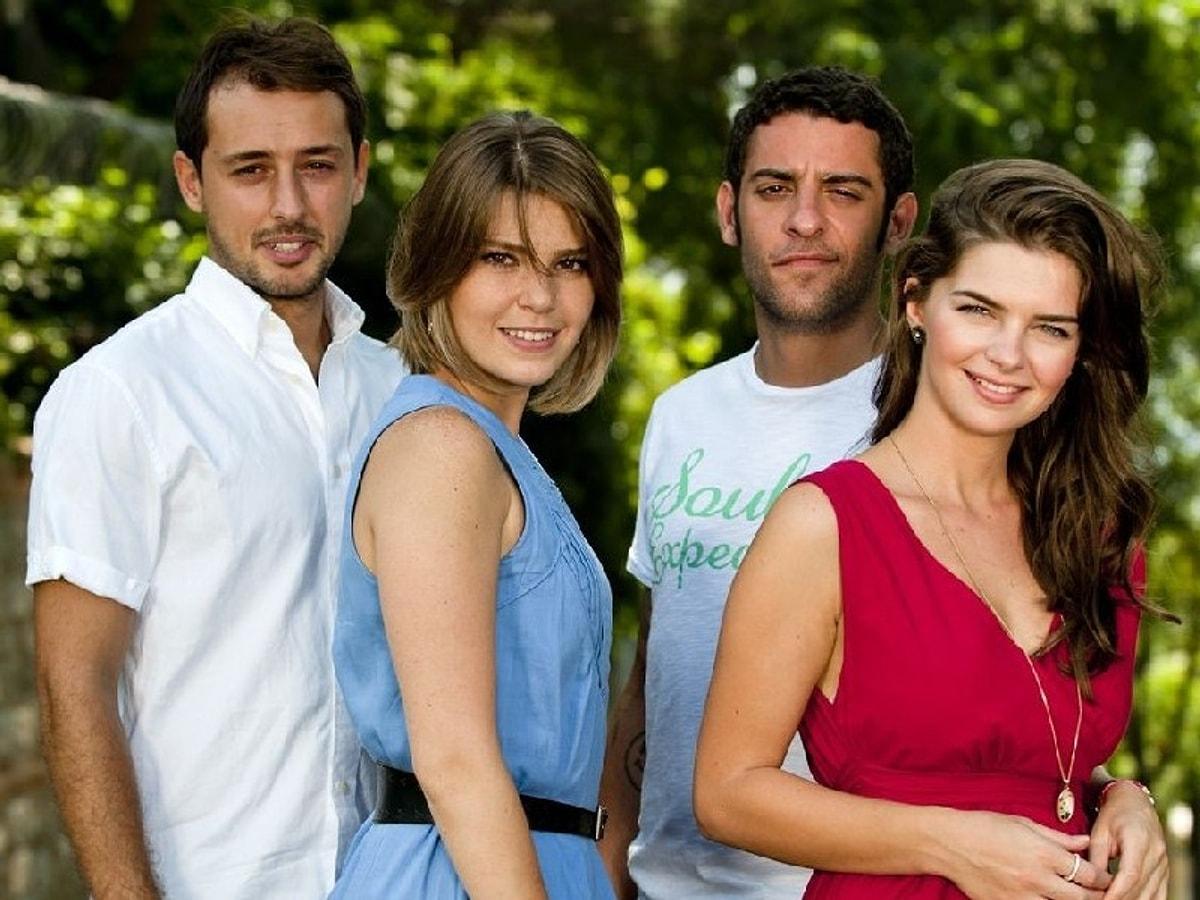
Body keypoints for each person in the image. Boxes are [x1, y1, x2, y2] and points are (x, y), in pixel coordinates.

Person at [694, 158, 1170, 899]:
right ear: (916, 301)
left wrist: (1122, 798)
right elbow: (727, 793)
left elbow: (1031, 755)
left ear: (1080, 352)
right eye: (979, 310)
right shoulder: (825, 525)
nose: (1008, 355)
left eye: (1049, 328)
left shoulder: (1095, 535)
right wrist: (952, 842)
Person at [26, 18, 404, 899]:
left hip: (387, 878)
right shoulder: (121, 392)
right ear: (191, 181)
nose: (288, 206)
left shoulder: (398, 390)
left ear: (359, 170)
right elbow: (74, 684)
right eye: (250, 170)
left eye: (317, 165)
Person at [599, 66, 919, 898]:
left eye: (843, 191)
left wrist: (1119, 794)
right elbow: (655, 669)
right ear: (728, 212)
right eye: (775, 188)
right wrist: (610, 864)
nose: (804, 219)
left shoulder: (931, 423)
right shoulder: (681, 416)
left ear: (898, 223)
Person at [329, 110, 622, 899]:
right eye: (501, 258)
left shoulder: (492, 449)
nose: (541, 296)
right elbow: (456, 763)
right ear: (438, 267)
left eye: (570, 263)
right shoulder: (441, 448)